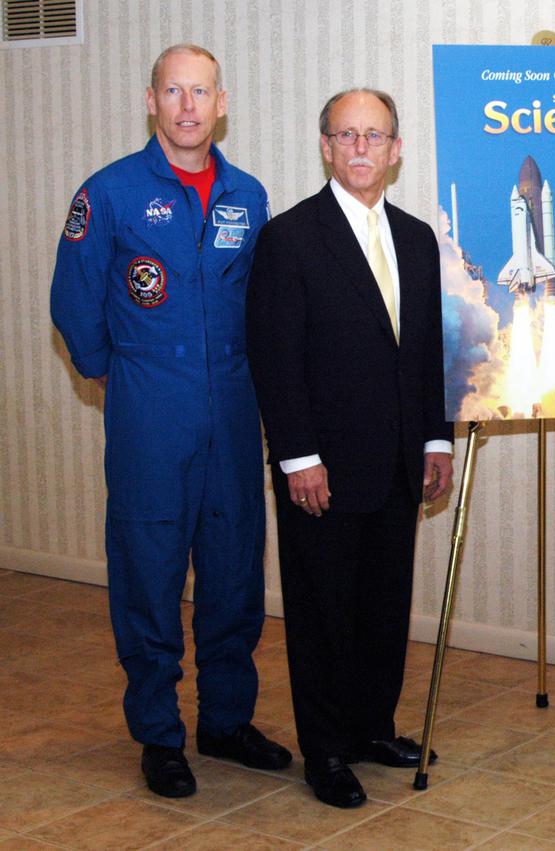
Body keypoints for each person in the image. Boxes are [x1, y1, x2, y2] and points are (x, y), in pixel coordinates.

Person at [49, 44, 291, 799]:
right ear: (151, 101)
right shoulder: (110, 193)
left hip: (234, 404)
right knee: (149, 573)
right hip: (151, 409)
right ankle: (159, 732)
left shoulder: (248, 197)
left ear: (222, 103)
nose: (188, 106)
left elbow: (266, 305)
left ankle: (224, 719)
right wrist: (112, 373)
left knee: (233, 571)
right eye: (173, 91)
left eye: (201, 92)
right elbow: (73, 302)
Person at [245, 88, 453, 809]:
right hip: (323, 470)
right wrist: (297, 457)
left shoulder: (419, 238)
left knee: (382, 605)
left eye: (376, 136)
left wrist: (435, 438)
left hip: (398, 463)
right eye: (347, 135)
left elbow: (426, 352)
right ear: (326, 147)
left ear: (396, 150)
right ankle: (327, 748)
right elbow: (276, 357)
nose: (361, 148)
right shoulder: (289, 237)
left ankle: (371, 727)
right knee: (323, 611)